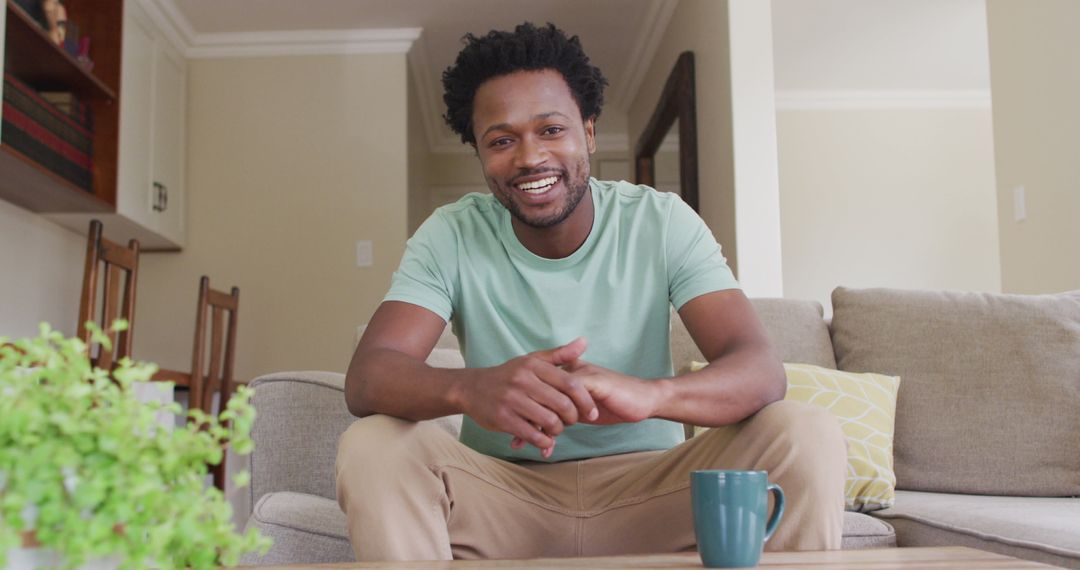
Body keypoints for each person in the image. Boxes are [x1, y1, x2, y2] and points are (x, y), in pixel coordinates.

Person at [336, 22, 846, 561]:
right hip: (504, 498)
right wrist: (471, 388)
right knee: (373, 444)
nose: (529, 157)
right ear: (480, 154)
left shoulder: (661, 221)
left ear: (589, 132)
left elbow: (760, 369)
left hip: (654, 494)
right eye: (502, 140)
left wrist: (652, 395)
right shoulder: (451, 233)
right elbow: (369, 376)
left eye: (551, 129)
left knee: (803, 430)